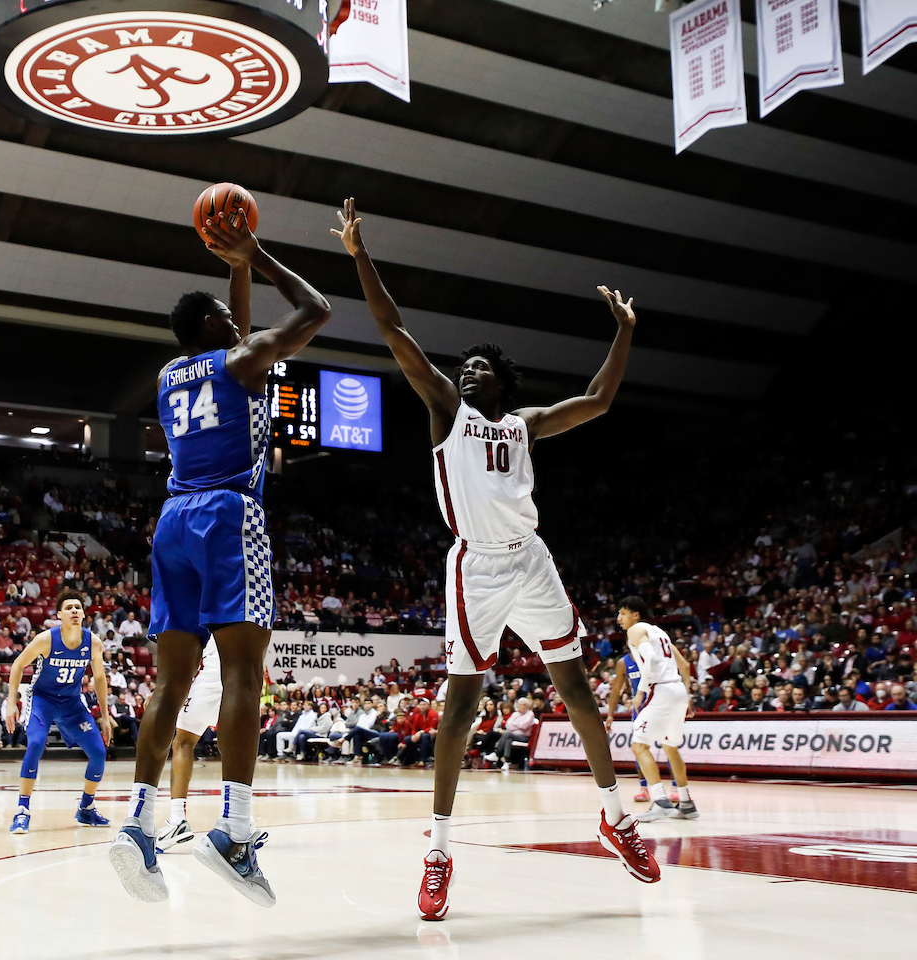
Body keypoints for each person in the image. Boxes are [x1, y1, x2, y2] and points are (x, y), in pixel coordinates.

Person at [333, 198, 657, 920]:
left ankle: (615, 817)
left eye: (481, 367)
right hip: (475, 567)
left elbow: (599, 399)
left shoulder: (526, 424)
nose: (469, 371)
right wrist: (360, 256)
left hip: (532, 561)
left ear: (504, 382)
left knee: (576, 691)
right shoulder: (447, 411)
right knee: (460, 710)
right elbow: (393, 330)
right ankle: (439, 852)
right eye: (466, 366)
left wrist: (624, 332)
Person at [109, 203, 329, 908]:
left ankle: (138, 822)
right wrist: (256, 255)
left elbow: (236, 334)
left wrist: (235, 272)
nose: (241, 323)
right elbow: (317, 310)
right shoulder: (242, 359)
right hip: (229, 516)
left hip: (172, 520)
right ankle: (233, 830)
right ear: (212, 326)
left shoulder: (170, 375)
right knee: (243, 674)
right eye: (230, 318)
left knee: (169, 685)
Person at [5, 589, 112, 833]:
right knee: (35, 744)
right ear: (59, 615)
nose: (74, 610)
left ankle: (86, 808)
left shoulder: (93, 642)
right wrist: (11, 703)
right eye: (68, 607)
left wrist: (105, 717)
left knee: (98, 752)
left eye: (78, 607)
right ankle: (22, 810)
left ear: (83, 614)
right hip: (42, 699)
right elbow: (18, 665)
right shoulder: (46, 639)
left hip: (72, 702)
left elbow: (99, 679)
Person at [609, 597, 698, 822]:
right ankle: (686, 804)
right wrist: (687, 695)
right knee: (670, 747)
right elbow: (684, 665)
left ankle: (660, 801)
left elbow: (650, 659)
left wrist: (640, 691)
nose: (619, 618)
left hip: (661, 690)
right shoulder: (660, 633)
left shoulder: (636, 630)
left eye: (622, 613)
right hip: (677, 690)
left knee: (639, 745)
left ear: (636, 614)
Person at [156, 643, 222, 853]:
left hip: (213, 671)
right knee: (233, 744)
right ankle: (241, 820)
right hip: (244, 674)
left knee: (183, 742)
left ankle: (177, 820)